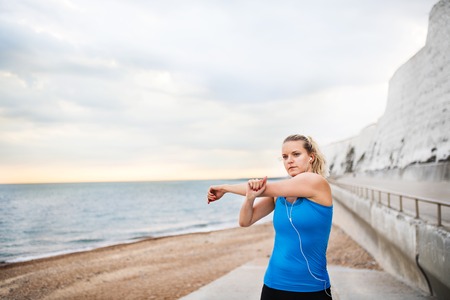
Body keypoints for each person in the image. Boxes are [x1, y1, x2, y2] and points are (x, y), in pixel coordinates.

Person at [207, 134, 333, 300]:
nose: (289, 160)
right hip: (274, 284)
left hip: (311, 287)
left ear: (311, 157)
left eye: (296, 154)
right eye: (285, 156)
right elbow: (245, 221)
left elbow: (265, 188)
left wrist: (225, 188)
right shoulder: (280, 194)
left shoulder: (316, 182)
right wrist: (250, 197)